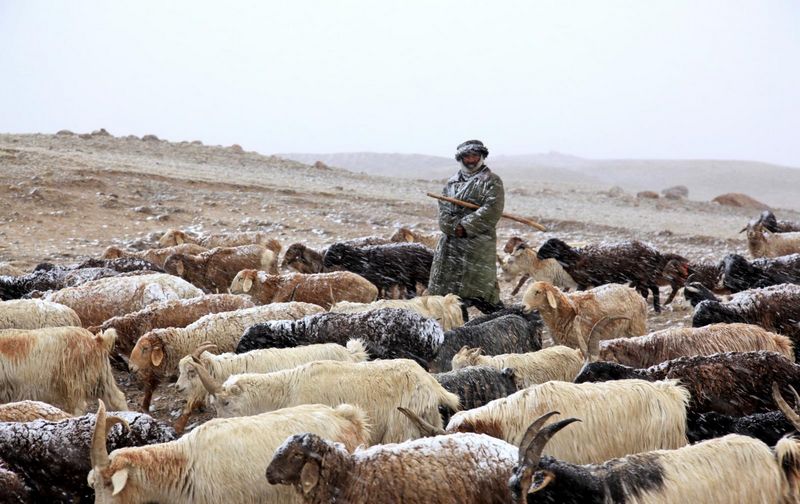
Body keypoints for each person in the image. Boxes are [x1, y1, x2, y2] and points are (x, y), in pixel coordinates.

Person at [428, 139, 505, 320]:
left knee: (483, 292)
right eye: (467, 156)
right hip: (451, 244)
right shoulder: (451, 183)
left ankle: (507, 323)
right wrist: (453, 227)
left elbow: (492, 209)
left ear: (481, 156)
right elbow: (444, 210)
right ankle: (460, 328)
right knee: (450, 294)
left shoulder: (492, 181)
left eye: (474, 155)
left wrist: (466, 226)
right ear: (460, 158)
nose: (471, 159)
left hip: (478, 245)